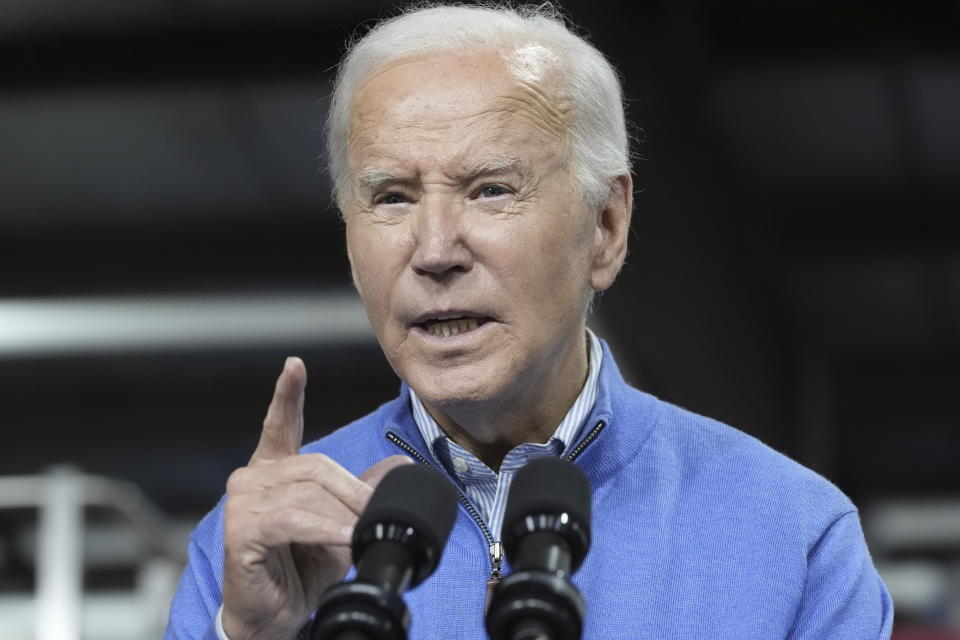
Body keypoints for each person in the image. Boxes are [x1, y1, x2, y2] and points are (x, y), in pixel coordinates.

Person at [165, 4, 893, 639]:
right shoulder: (257, 548)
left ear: (605, 227)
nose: (436, 250)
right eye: (390, 197)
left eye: (489, 190)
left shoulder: (791, 535)